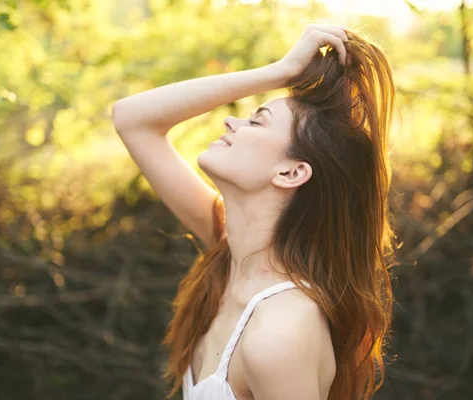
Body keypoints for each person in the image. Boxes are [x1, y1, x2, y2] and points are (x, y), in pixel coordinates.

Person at [112, 24, 398, 400]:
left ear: (291, 172)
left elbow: (133, 120)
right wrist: (278, 71)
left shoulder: (280, 334)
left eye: (256, 121)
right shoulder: (230, 253)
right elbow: (132, 119)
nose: (231, 120)